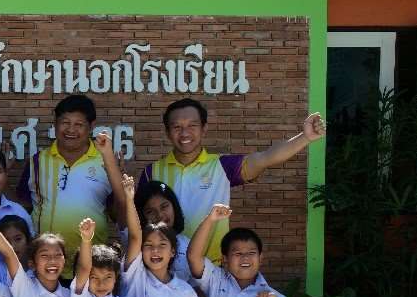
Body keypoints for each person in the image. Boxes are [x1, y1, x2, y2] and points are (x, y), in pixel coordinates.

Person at [140, 99, 326, 263]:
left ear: (204, 128)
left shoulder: (222, 166)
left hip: (211, 269)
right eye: (177, 127)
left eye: (192, 125)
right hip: (165, 269)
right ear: (167, 132)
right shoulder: (152, 172)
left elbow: (266, 158)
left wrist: (305, 137)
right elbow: (139, 221)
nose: (184, 133)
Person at [16, 96, 125, 270]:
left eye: (79, 124)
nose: (71, 130)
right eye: (65, 122)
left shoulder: (105, 162)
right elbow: (22, 210)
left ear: (91, 126)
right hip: (45, 266)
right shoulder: (37, 162)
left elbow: (120, 214)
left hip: (91, 265)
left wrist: (116, 173)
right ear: (55, 123)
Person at [118, 180, 192, 284]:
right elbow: (135, 236)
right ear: (141, 216)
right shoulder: (135, 243)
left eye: (164, 206)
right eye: (150, 211)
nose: (159, 215)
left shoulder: (188, 246)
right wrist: (129, 199)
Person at [0, 214, 32, 286]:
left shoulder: (36, 268)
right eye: (6, 241)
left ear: (28, 240)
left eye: (18, 239)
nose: (12, 246)